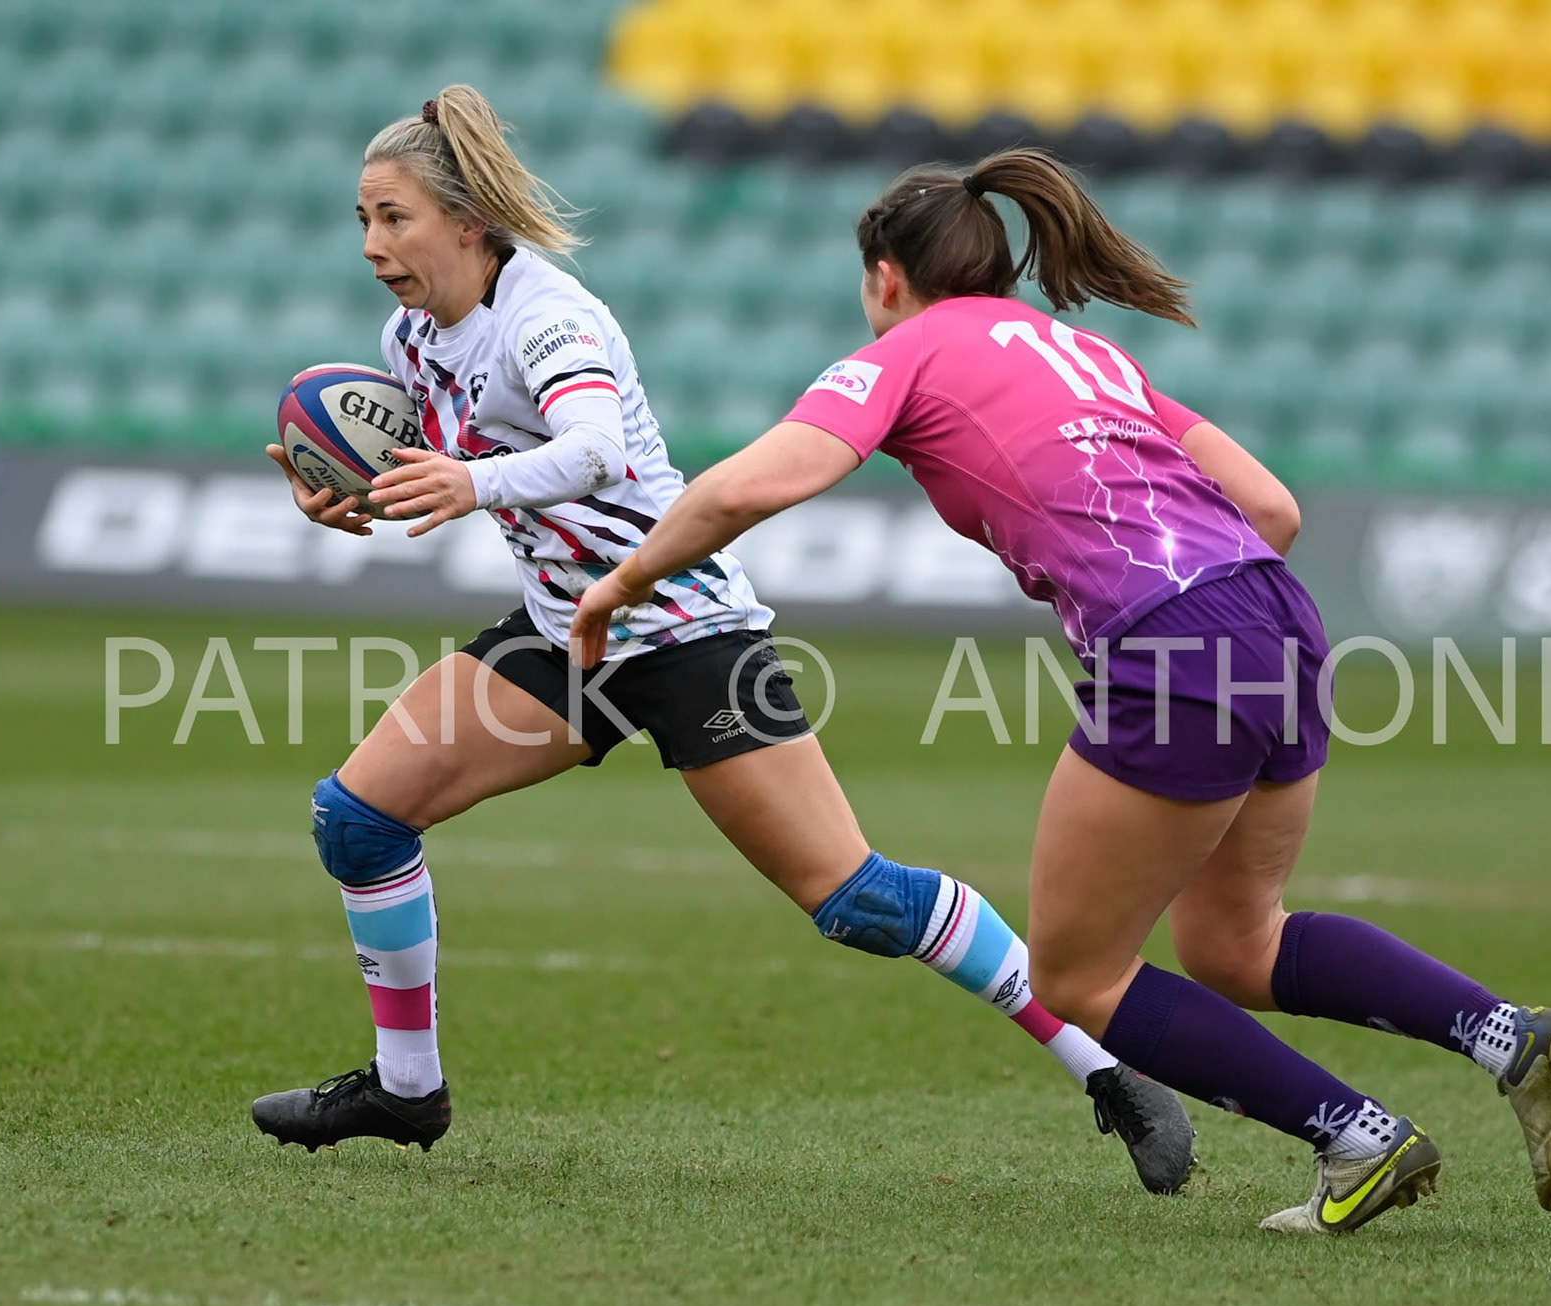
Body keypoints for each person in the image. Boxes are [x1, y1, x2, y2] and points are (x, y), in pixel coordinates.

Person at [567, 149, 1551, 1235]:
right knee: (1238, 943)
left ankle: (1359, 1136)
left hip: (1174, 649)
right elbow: (1276, 509)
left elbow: (752, 483)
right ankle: (1506, 1036)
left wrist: (623, 583)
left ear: (884, 276)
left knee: (1074, 971)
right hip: (1279, 618)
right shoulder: (1091, 354)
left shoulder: (907, 350)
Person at [248, 89, 1197, 1195]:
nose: (372, 246)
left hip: (686, 626)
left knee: (855, 898)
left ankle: (1108, 1065)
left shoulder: (550, 317)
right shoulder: (410, 337)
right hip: (569, 634)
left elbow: (594, 448)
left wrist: (469, 483)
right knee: (358, 820)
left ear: (468, 222)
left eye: (393, 218)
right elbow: (453, 476)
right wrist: (357, 502)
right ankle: (407, 1086)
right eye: (361, 219)